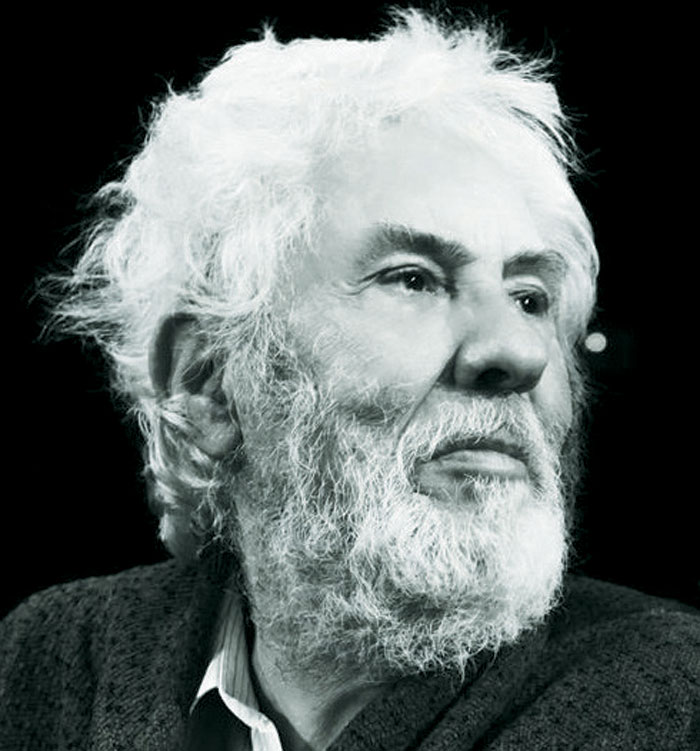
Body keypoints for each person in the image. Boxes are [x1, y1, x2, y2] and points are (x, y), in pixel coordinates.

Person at [1, 8, 698, 750]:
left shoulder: (674, 699)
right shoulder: (48, 658)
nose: (520, 352)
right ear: (209, 384)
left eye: (530, 298)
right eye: (413, 279)